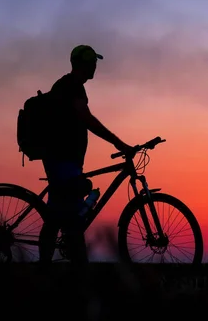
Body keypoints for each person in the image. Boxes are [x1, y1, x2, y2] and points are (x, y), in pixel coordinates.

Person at [39, 45, 133, 264]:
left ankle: (46, 265)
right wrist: (118, 143)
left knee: (58, 215)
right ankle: (78, 270)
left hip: (61, 158)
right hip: (63, 158)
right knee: (71, 218)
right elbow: (87, 119)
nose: (95, 66)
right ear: (82, 63)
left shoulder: (66, 85)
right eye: (92, 62)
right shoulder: (72, 87)